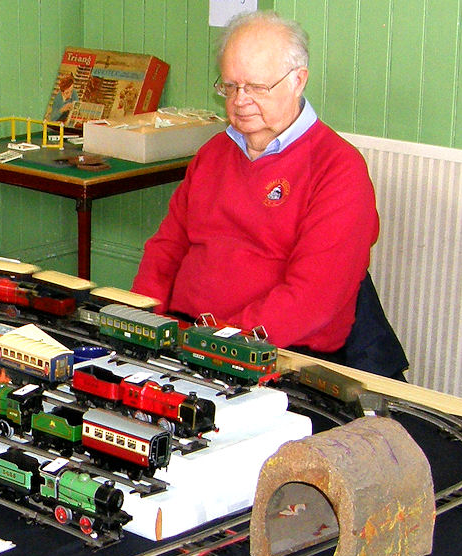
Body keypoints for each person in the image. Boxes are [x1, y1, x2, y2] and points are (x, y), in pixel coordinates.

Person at [131, 10, 405, 377]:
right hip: (187, 339)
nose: (240, 100)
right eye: (230, 86)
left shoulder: (338, 167)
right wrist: (144, 320)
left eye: (257, 87)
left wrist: (215, 341)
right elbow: (165, 250)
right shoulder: (213, 154)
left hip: (273, 354)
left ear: (298, 81)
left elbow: (311, 299)